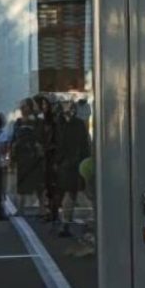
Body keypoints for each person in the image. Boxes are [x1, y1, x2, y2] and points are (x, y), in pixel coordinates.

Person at [55, 100, 91, 237]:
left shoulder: (62, 124)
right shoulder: (68, 124)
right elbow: (84, 144)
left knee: (72, 193)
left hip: (69, 163)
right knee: (73, 193)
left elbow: (84, 144)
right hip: (71, 163)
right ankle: (67, 222)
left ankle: (66, 222)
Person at [11, 98, 45, 212]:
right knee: (22, 181)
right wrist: (12, 155)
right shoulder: (18, 122)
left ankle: (42, 207)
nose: (22, 108)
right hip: (22, 155)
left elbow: (40, 137)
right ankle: (20, 207)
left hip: (35, 155)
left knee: (38, 182)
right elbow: (14, 139)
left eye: (24, 106)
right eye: (21, 106)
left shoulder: (38, 121)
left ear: (30, 107)